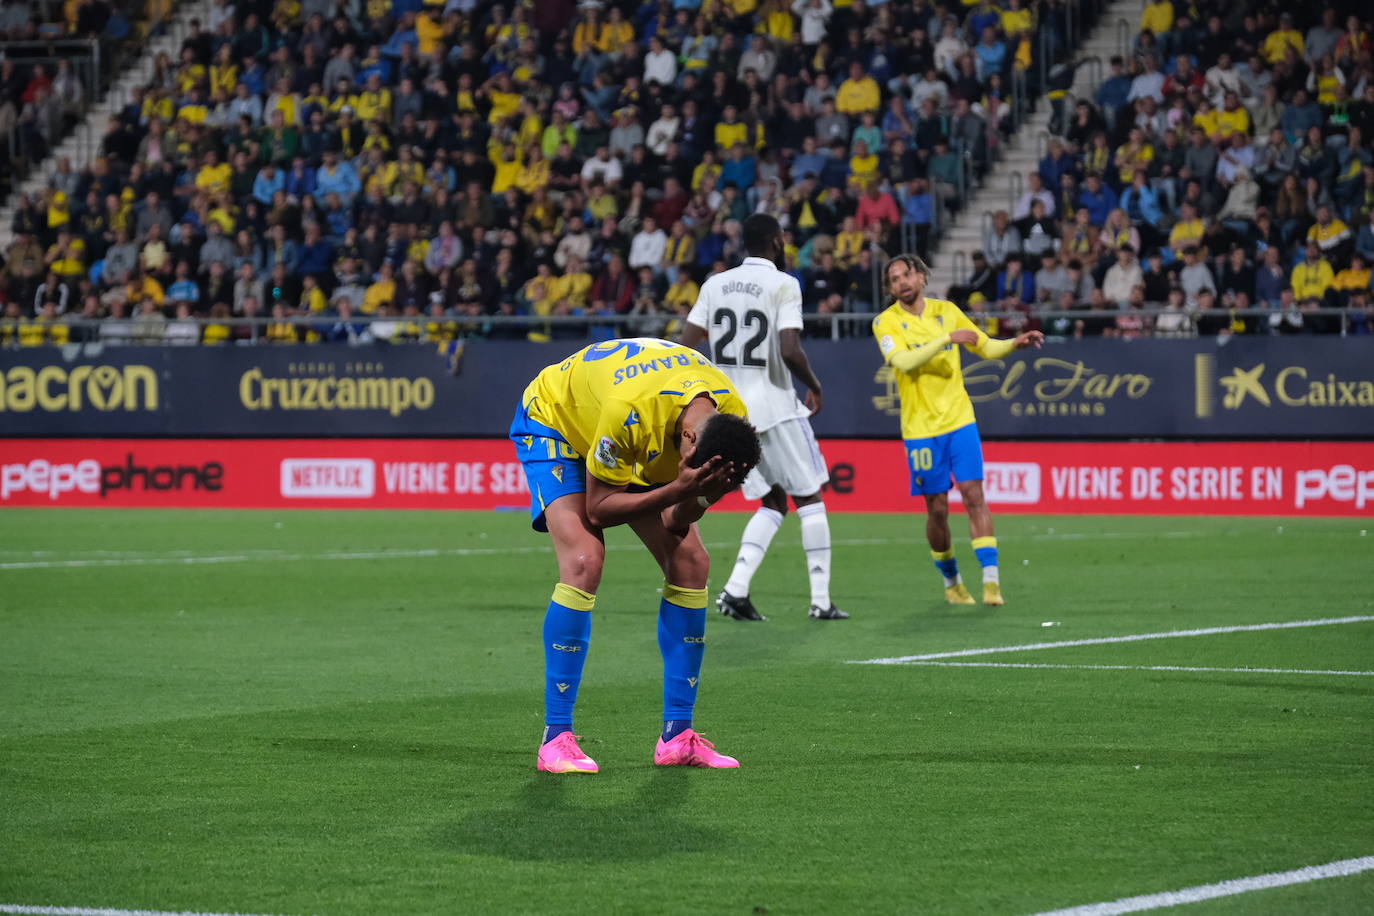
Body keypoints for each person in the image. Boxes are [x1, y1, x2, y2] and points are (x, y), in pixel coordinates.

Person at [510, 337, 761, 774]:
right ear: (688, 438)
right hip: (557, 420)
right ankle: (555, 738)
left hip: (639, 428)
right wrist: (680, 487)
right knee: (585, 560)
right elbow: (599, 508)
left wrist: (700, 494)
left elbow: (675, 522)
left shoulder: (730, 422)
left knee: (691, 563)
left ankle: (677, 737)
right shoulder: (629, 410)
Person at [680, 214, 848, 623]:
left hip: (733, 413)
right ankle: (821, 601)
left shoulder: (714, 284)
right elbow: (789, 349)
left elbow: (686, 342)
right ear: (776, 241)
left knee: (772, 501)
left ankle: (736, 591)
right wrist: (814, 384)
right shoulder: (783, 284)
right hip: (775, 406)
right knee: (810, 497)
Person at [872, 255, 1044, 606]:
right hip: (920, 429)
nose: (902, 282)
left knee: (974, 495)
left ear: (922, 277)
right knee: (936, 509)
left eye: (907, 275)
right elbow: (903, 361)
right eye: (894, 279)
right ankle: (952, 582)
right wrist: (945, 339)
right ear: (890, 288)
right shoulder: (885, 322)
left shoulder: (947, 311)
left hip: (959, 420)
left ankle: (992, 583)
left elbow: (984, 345)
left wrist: (1014, 343)